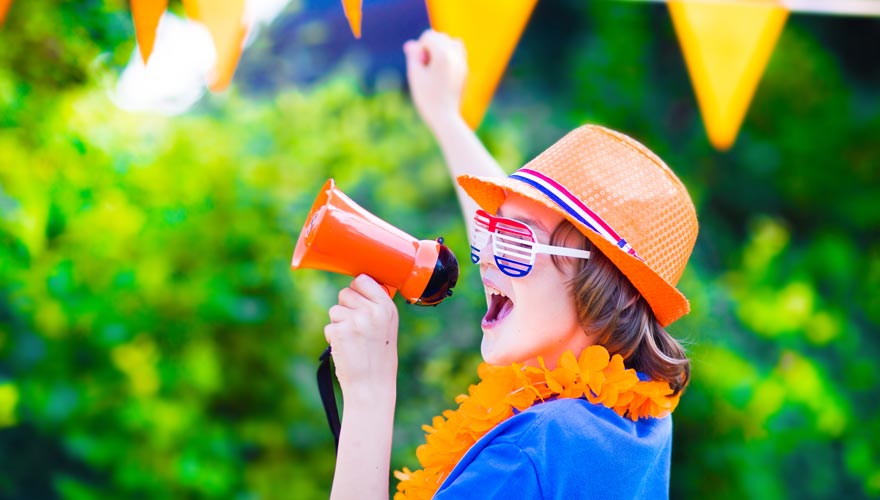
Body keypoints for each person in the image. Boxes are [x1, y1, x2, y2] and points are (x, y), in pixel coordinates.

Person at [322, 30, 698, 499]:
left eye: (516, 246)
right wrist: (445, 117)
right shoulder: (637, 420)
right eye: (487, 235)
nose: (485, 263)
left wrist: (368, 392)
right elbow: (540, 258)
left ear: (603, 289)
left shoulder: (525, 456)